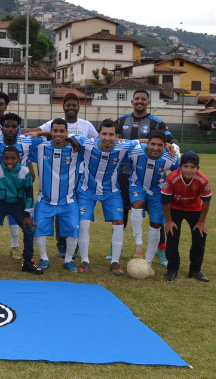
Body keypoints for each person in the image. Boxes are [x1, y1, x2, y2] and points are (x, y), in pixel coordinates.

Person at [24, 92, 97, 259]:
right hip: (52, 178)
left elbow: (96, 142)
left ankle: (72, 250)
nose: (71, 107)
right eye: (68, 104)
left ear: (79, 106)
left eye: (74, 105)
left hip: (77, 175)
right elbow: (32, 136)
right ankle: (60, 244)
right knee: (53, 205)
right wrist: (40, 134)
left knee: (71, 213)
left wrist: (71, 141)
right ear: (63, 106)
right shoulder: (45, 143)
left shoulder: (86, 126)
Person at [115, 88, 179, 266]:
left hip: (154, 177)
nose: (140, 101)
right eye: (137, 99)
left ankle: (161, 249)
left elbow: (172, 142)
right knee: (123, 211)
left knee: (156, 216)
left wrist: (172, 147)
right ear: (132, 101)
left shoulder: (157, 123)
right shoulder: (121, 121)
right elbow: (110, 139)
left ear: (148, 103)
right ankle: (117, 247)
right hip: (126, 175)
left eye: (143, 99)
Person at [73, 119, 139, 275]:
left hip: (111, 192)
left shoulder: (123, 146)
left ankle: (115, 262)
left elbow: (142, 143)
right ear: (98, 134)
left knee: (118, 222)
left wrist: (168, 145)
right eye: (104, 134)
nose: (107, 138)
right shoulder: (88, 143)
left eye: (111, 134)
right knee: (83, 223)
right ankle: (85, 260)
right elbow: (65, 135)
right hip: (87, 190)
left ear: (117, 136)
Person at [27, 119, 79, 274]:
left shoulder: (76, 149)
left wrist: (71, 140)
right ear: (50, 132)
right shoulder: (41, 148)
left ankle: (69, 260)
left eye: (62, 131)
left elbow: (92, 142)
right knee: (39, 228)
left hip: (68, 200)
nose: (58, 134)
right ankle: (44, 258)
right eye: (55, 131)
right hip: (45, 199)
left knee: (73, 229)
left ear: (67, 132)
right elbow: (23, 142)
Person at [0, 112, 36, 261]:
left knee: (28, 226)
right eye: (6, 126)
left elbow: (51, 136)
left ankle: (26, 257)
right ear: (1, 128)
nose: (10, 129)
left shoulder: (27, 142)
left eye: (13, 126)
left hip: (18, 196)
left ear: (18, 128)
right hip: (0, 194)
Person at [127, 131, 179, 274]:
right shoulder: (136, 150)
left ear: (165, 146)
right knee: (137, 204)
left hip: (158, 191)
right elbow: (123, 144)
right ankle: (139, 245)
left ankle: (148, 261)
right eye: (153, 144)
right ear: (147, 143)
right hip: (137, 186)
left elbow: (178, 175)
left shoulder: (171, 158)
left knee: (156, 223)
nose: (155, 148)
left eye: (160, 145)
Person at [0, 147, 35, 273]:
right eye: (6, 158)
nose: (9, 161)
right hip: (1, 204)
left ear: (19, 159)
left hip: (18, 204)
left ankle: (28, 261)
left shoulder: (24, 172)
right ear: (2, 159)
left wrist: (27, 214)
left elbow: (29, 195)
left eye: (13, 158)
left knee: (29, 229)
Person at [161, 151, 212, 282]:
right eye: (185, 166)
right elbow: (165, 201)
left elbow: (206, 202)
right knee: (172, 236)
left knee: (200, 236)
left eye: (193, 167)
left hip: (194, 209)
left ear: (198, 168)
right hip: (175, 208)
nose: (189, 170)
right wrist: (169, 221)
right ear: (180, 166)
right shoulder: (172, 178)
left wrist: (201, 222)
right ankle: (172, 269)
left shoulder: (202, 179)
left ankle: (195, 270)